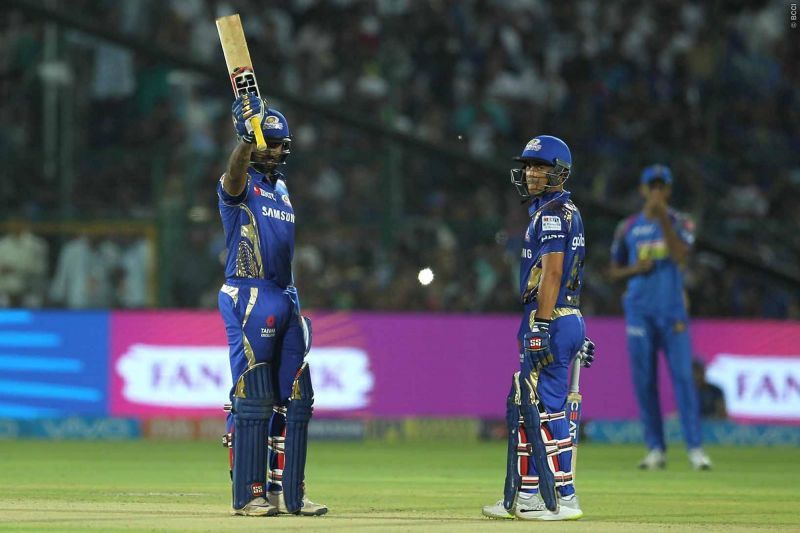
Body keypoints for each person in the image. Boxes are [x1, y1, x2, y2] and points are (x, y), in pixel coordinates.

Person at [217, 93, 327, 517]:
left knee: (292, 397)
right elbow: (232, 173)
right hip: (249, 292)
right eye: (269, 141)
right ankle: (249, 493)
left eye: (280, 143)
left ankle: (287, 492)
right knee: (253, 396)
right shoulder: (237, 186)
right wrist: (244, 141)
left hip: (285, 294)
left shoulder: (281, 189)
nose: (276, 149)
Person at [482, 135, 595, 521]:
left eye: (540, 167)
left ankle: (564, 497)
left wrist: (543, 325)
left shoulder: (549, 214)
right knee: (530, 407)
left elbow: (555, 272)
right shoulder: (564, 211)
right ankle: (528, 493)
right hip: (566, 315)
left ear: (559, 172)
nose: (530, 173)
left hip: (549, 315)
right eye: (528, 166)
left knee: (547, 410)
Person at [609, 164, 712, 471]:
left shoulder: (681, 222)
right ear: (642, 189)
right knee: (644, 381)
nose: (656, 191)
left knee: (683, 378)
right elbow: (613, 270)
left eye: (661, 186)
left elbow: (680, 255)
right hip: (639, 311)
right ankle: (655, 448)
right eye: (651, 186)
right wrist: (634, 270)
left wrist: (663, 216)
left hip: (672, 312)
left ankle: (695, 449)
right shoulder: (627, 227)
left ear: (667, 190)